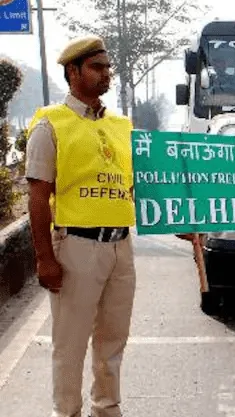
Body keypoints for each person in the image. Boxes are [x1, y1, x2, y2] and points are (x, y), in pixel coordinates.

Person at [26, 35, 136, 417]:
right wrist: (44, 258)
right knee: (70, 345)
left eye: (108, 67)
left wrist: (182, 221)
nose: (107, 74)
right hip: (77, 248)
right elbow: (37, 197)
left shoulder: (122, 126)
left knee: (113, 342)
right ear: (73, 71)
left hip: (121, 248)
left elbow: (139, 187)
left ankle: (106, 409)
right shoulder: (51, 125)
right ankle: (68, 412)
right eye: (97, 67)